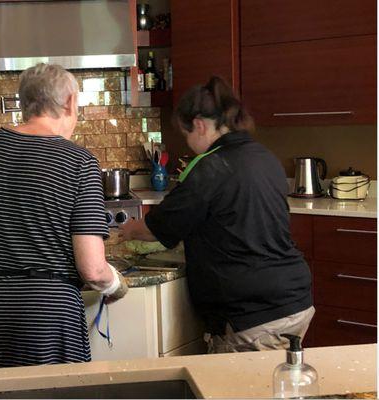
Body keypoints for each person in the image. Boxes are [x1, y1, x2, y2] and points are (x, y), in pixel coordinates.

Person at [0, 63, 128, 369]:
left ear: (24, 104)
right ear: (70, 102)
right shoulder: (80, 163)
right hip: (48, 314)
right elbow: (92, 269)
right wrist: (116, 285)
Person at [120, 76, 314, 354]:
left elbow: (158, 227)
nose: (188, 144)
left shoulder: (212, 167)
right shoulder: (263, 156)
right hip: (294, 299)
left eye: (186, 134)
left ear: (199, 125)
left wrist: (127, 230)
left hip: (253, 314)